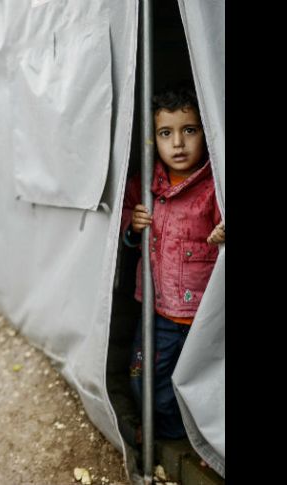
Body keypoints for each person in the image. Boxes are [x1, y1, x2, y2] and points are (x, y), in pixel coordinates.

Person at [120, 84, 225, 445]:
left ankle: (202, 439)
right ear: (153, 140)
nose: (178, 143)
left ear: (206, 132)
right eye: (166, 133)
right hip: (159, 312)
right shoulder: (146, 185)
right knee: (144, 377)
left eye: (189, 130)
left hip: (205, 317)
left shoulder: (216, 186)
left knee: (204, 382)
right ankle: (170, 433)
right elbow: (119, 226)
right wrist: (132, 227)